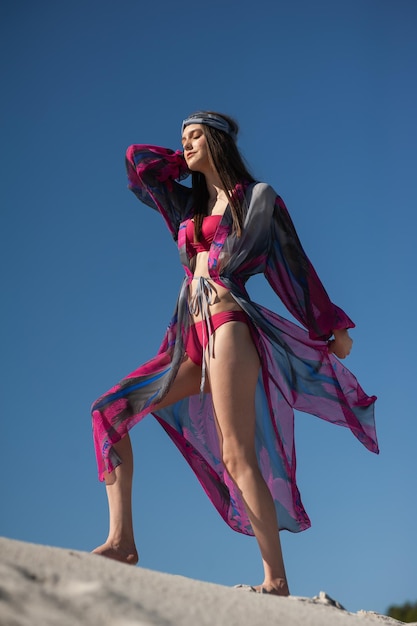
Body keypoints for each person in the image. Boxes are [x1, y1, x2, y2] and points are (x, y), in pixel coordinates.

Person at [91, 111, 378, 596]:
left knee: (235, 452)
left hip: (229, 328)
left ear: (218, 141)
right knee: (109, 412)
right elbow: (137, 165)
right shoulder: (186, 206)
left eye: (196, 136)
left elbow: (295, 266)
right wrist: (181, 163)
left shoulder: (257, 201)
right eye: (182, 138)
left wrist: (331, 325)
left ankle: (276, 578)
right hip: (188, 337)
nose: (185, 143)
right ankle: (122, 541)